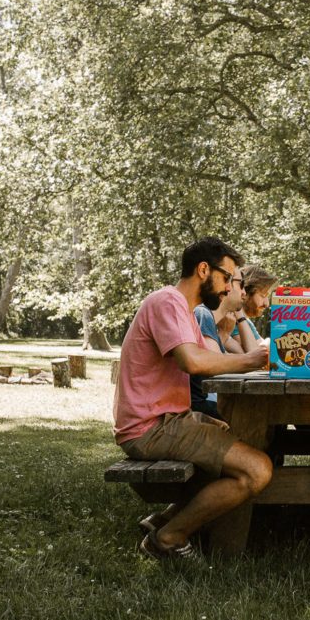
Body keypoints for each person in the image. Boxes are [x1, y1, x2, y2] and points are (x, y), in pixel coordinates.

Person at [113, 237, 272, 561]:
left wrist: (236, 336)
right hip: (151, 427)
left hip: (168, 420)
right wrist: (253, 359)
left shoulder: (184, 311)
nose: (230, 288)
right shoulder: (167, 301)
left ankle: (167, 519)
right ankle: (168, 538)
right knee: (258, 469)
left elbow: (208, 362)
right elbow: (194, 362)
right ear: (203, 270)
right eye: (227, 278)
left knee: (247, 438)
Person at [190, 267, 247, 419]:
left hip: (208, 402)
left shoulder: (211, 320)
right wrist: (253, 360)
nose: (244, 293)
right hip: (200, 407)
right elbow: (215, 368)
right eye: (240, 285)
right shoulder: (203, 313)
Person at [224, 265, 276, 354]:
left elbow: (263, 345)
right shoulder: (233, 318)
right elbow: (254, 354)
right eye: (263, 296)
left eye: (267, 297)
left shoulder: (246, 320)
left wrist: (267, 342)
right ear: (246, 293)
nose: (266, 303)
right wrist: (267, 343)